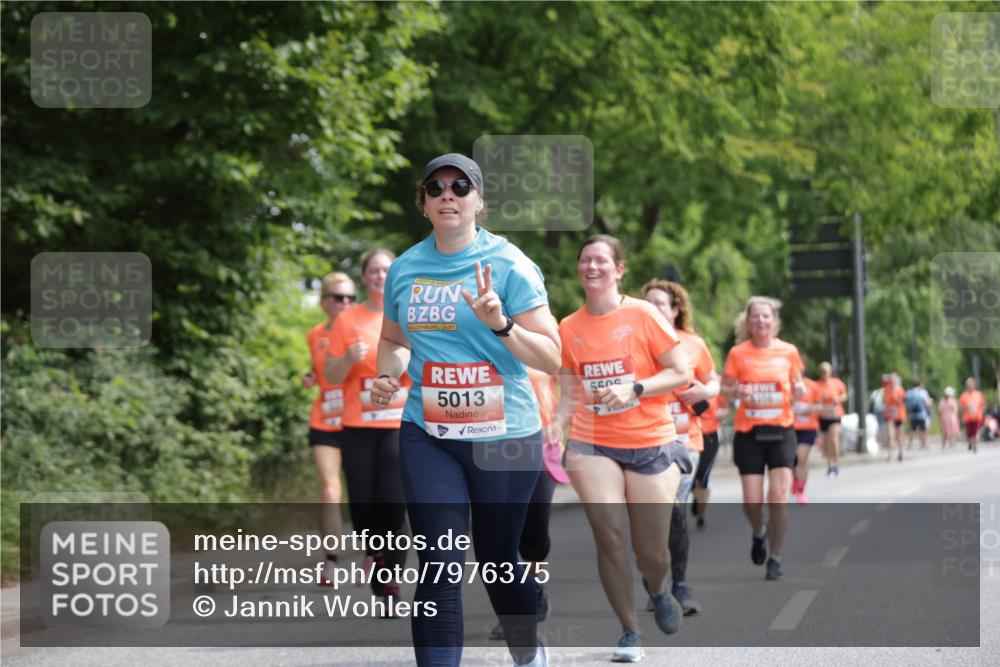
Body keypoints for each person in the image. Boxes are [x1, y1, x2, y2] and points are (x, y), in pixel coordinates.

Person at [369, 153, 560, 667]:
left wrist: (502, 324)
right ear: (423, 202)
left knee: (498, 558)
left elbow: (552, 355)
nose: (447, 194)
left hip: (505, 435)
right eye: (436, 188)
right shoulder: (406, 268)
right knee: (439, 560)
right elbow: (392, 339)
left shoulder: (510, 264)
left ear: (479, 200)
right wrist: (389, 373)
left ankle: (527, 648)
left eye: (460, 186)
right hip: (428, 433)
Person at [551, 235, 691, 663]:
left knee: (651, 552)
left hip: (650, 440)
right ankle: (629, 630)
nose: (591, 267)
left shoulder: (643, 314)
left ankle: (656, 587)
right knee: (609, 536)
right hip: (593, 443)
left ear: (619, 270)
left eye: (600, 261)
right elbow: (569, 393)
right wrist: (557, 424)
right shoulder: (568, 327)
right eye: (585, 261)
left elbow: (681, 373)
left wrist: (635, 387)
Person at [325, 248, 409, 612]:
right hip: (357, 423)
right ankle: (374, 553)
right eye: (373, 271)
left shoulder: (407, 314)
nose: (380, 276)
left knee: (393, 499)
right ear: (364, 278)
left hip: (398, 422)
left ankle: (389, 577)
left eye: (386, 270)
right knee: (362, 503)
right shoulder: (347, 320)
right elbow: (330, 376)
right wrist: (347, 359)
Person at [643, 279, 720, 617]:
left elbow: (714, 381)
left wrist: (704, 391)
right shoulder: (632, 340)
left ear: (675, 310)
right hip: (642, 440)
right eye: (647, 303)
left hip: (684, 440)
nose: (652, 309)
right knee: (650, 517)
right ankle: (655, 581)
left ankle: (680, 584)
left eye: (659, 303)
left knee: (673, 509)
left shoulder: (693, 344)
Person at [721, 296, 805, 582]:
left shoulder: (788, 352)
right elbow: (725, 390)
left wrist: (800, 389)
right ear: (747, 321)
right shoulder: (737, 353)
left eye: (766, 316)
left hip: (781, 431)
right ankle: (759, 531)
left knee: (779, 497)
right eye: (755, 316)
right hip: (749, 433)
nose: (760, 321)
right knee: (752, 503)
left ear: (774, 321)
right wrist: (736, 394)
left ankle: (776, 557)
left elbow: (797, 386)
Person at [489, 367, 564, 641]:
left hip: (540, 445)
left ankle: (535, 586)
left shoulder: (540, 337)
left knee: (536, 535)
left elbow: (571, 384)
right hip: (492, 446)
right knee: (501, 535)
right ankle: (511, 610)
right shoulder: (481, 341)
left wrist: (558, 422)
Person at [303, 271, 356, 585]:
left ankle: (375, 555)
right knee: (330, 491)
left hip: (359, 420)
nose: (345, 303)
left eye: (350, 297)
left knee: (367, 496)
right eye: (338, 298)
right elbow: (321, 369)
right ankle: (331, 562)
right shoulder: (315, 336)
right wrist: (310, 376)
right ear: (325, 303)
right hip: (325, 419)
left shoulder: (365, 328)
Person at [691, 395, 723, 529]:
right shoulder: (682, 382)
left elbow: (726, 404)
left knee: (704, 476)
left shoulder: (715, 384)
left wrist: (722, 413)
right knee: (690, 477)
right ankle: (694, 491)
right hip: (688, 434)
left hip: (709, 435)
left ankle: (701, 516)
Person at [791, 369, 821, 503]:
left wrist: (807, 409)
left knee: (801, 457)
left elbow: (820, 405)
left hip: (808, 427)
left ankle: (800, 490)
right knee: (792, 458)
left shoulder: (812, 385)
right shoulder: (786, 383)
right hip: (789, 427)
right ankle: (795, 478)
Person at [815, 362, 848, 476]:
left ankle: (836, 463)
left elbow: (844, 395)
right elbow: (813, 399)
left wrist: (838, 399)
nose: (824, 373)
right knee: (826, 442)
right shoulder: (816, 385)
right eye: (822, 371)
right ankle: (829, 465)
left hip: (835, 415)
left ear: (830, 372)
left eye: (826, 371)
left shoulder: (836, 382)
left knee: (833, 439)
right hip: (823, 416)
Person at [883, 373, 907, 462]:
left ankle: (900, 452)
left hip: (899, 414)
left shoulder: (900, 390)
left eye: (893, 381)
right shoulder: (886, 390)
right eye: (890, 381)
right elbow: (883, 401)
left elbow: (905, 401)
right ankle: (890, 454)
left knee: (899, 435)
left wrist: (898, 400)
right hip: (889, 415)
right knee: (890, 434)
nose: (892, 382)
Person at [959, 377, 986, 454]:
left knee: (976, 432)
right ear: (966, 386)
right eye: (968, 386)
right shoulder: (964, 396)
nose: (970, 387)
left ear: (974, 386)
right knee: (969, 434)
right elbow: (961, 407)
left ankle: (975, 445)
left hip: (977, 417)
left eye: (971, 385)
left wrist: (981, 411)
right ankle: (971, 442)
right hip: (967, 418)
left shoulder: (978, 394)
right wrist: (961, 416)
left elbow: (983, 405)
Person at [904, 378, 933, 450]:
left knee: (912, 430)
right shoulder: (923, 392)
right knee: (924, 430)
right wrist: (929, 407)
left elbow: (906, 403)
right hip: (921, 414)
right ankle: (924, 444)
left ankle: (910, 444)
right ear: (920, 384)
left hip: (912, 414)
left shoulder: (909, 392)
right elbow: (927, 404)